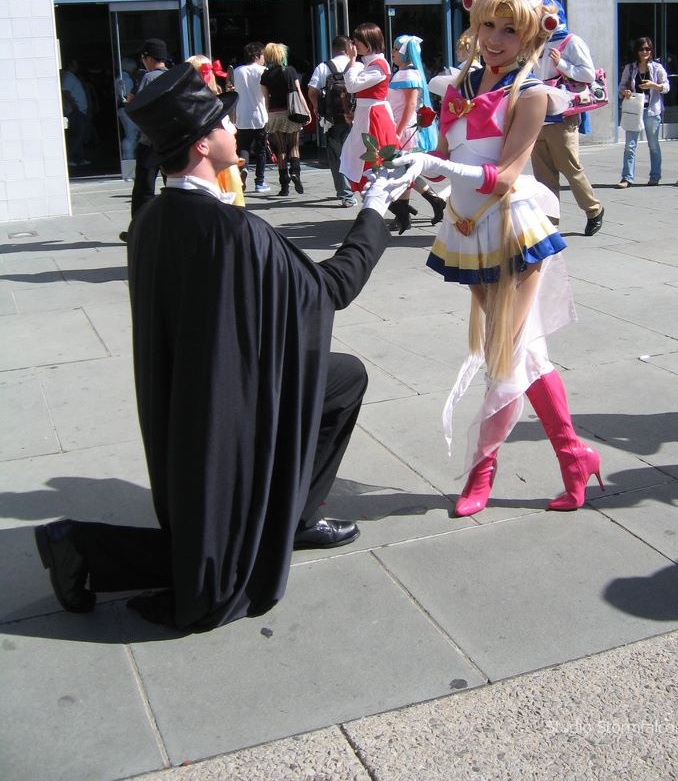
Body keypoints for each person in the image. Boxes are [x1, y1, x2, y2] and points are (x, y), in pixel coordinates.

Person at [33, 62, 410, 631]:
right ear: (204, 143)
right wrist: (374, 214)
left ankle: (300, 515)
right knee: (226, 567)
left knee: (343, 376)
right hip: (228, 398)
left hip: (187, 389)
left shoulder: (152, 219)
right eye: (225, 123)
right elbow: (330, 291)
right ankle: (82, 548)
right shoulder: (237, 232)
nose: (236, 129)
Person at [393, 0, 604, 518]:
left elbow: (507, 176)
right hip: (469, 229)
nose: (495, 38)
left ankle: (481, 472)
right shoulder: (458, 81)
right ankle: (574, 456)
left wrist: (440, 166)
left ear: (532, 35)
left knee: (504, 356)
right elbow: (444, 153)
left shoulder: (532, 94)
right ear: (474, 23)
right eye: (489, 25)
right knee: (526, 353)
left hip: (512, 227)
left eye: (510, 30)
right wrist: (408, 170)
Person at [531, 0, 605, 236]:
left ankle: (594, 210)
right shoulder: (536, 43)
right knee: (542, 173)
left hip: (562, 114)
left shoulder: (571, 41)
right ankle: (549, 221)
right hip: (537, 114)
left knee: (570, 167)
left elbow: (588, 74)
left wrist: (561, 64)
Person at [387, 34, 445, 233]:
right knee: (405, 171)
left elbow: (411, 105)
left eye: (396, 49)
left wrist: (398, 130)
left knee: (402, 171)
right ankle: (430, 202)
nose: (393, 52)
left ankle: (403, 214)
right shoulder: (404, 72)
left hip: (405, 131)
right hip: (404, 128)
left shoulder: (408, 74)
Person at [339, 22, 398, 200]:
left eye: (358, 41)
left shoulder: (378, 65)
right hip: (367, 114)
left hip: (374, 116)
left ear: (369, 41)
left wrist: (352, 61)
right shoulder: (370, 63)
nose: (354, 45)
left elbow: (351, 86)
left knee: (373, 160)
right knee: (360, 157)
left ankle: (385, 205)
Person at [119, 38, 168, 242]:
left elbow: (135, 106)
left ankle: (139, 231)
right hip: (170, 141)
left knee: (143, 188)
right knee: (173, 185)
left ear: (148, 58)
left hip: (150, 141)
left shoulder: (147, 78)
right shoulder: (173, 76)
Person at [186, 54, 245, 207]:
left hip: (206, 167)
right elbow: (230, 130)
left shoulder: (194, 105)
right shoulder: (215, 102)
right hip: (218, 167)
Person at [308, 35, 356, 207]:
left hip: (333, 119)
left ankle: (345, 194)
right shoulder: (356, 65)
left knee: (337, 155)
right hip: (355, 117)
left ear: (333, 49)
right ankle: (359, 189)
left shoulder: (324, 67)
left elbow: (312, 91)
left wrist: (316, 108)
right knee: (356, 153)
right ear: (348, 48)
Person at [617, 37, 670, 187]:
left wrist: (654, 85)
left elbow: (666, 87)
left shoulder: (657, 68)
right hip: (634, 110)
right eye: (641, 49)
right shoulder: (630, 68)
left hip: (651, 110)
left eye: (648, 49)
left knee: (653, 145)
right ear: (637, 51)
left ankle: (655, 176)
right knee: (630, 145)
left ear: (651, 50)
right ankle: (627, 177)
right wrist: (625, 92)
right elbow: (620, 87)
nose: (645, 52)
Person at [260, 43, 310, 196]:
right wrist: (307, 111)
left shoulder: (265, 75)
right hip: (291, 112)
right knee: (294, 146)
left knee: (281, 149)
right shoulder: (290, 71)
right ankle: (295, 172)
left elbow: (265, 99)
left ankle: (284, 186)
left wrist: (268, 115)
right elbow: (299, 92)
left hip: (274, 113)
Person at [234, 42, 271, 194]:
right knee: (261, 149)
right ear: (257, 56)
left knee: (243, 147)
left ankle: (243, 168)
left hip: (242, 115)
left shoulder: (237, 71)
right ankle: (259, 182)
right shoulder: (264, 71)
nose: (264, 59)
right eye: (263, 56)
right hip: (260, 114)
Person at [60, 59, 92, 168]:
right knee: (77, 135)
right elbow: (65, 91)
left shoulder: (70, 77)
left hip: (79, 110)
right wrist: (74, 106)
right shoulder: (68, 77)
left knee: (79, 135)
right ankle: (69, 158)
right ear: (70, 65)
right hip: (76, 111)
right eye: (76, 64)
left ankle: (80, 159)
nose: (77, 66)